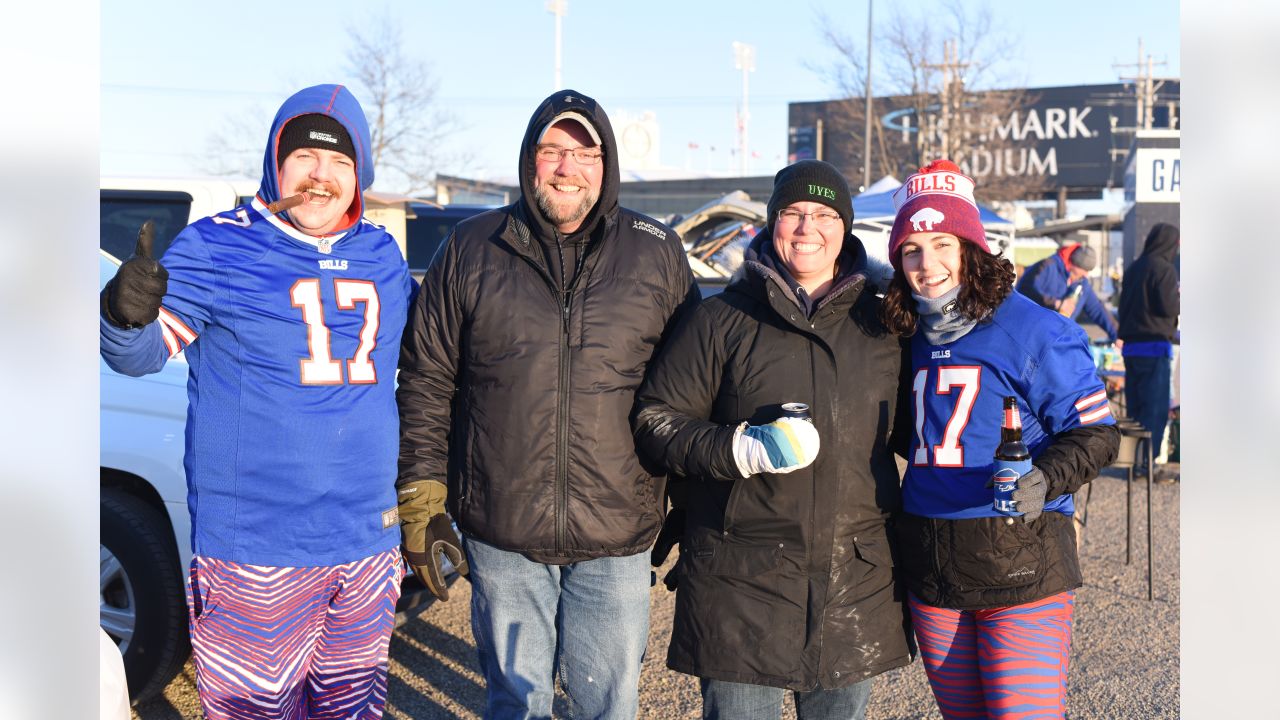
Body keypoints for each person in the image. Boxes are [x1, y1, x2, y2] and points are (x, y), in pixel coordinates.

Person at [100, 84, 414, 720]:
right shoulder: (218, 246)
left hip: (365, 543)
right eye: (305, 159)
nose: (321, 178)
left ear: (361, 175)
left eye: (340, 164)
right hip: (258, 551)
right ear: (276, 161)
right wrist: (121, 313)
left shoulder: (382, 254)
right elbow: (139, 355)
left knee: (353, 712)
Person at [396, 89, 698, 720]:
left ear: (606, 164)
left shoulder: (656, 251)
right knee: (516, 702)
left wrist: (693, 499)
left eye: (584, 152)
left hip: (616, 528)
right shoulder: (472, 247)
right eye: (553, 150)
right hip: (502, 526)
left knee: (607, 704)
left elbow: (692, 384)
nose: (568, 168)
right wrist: (422, 493)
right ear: (529, 160)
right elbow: (427, 378)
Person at [631, 160, 914, 720]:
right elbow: (655, 421)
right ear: (772, 223)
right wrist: (739, 449)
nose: (808, 227)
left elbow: (925, 433)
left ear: (847, 228)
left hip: (851, 583)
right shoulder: (720, 321)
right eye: (793, 213)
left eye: (825, 214)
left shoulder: (884, 327)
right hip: (740, 585)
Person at [880, 160, 1120, 720]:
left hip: (1022, 564)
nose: (927, 263)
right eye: (911, 250)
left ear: (971, 247)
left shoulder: (1035, 329)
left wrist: (1045, 478)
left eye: (942, 243)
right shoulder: (900, 333)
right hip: (934, 566)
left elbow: (1096, 434)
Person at [1118, 223, 1180, 478]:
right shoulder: (1164, 269)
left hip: (1131, 349)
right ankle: (1148, 465)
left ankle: (1133, 462)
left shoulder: (1134, 268)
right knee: (1154, 409)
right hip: (1155, 346)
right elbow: (1168, 308)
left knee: (1135, 409)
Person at [1016, 241, 1120, 345]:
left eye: (1085, 273)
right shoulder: (1048, 266)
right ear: (1071, 263)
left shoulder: (1082, 282)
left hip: (1059, 341)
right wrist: (1056, 303)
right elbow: (1025, 289)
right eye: (1078, 273)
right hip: (1032, 337)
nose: (1083, 277)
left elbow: (1097, 309)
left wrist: (1118, 335)